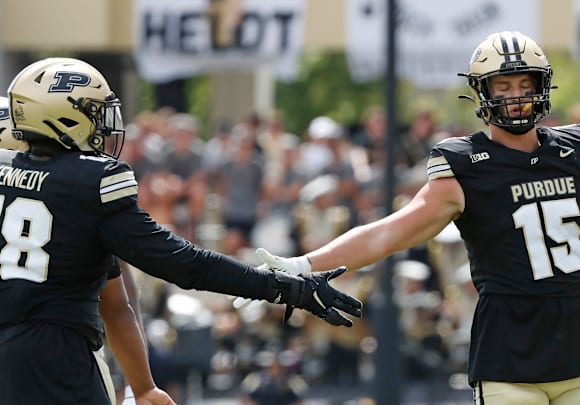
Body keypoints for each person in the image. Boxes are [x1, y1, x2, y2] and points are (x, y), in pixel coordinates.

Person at [251, 31, 580, 403]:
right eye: (503, 86)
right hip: (508, 360)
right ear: (482, 92)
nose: (515, 96)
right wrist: (307, 264)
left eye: (525, 84)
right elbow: (390, 233)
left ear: (542, 87)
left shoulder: (579, 152)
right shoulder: (464, 165)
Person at [0, 58, 362, 405]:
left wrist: (143, 387)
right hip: (55, 358)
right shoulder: (92, 183)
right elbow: (184, 264)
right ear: (64, 116)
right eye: (94, 114)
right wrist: (278, 286)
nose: (102, 126)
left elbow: (117, 301)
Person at [0, 96, 173, 404]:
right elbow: (119, 303)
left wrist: (141, 384)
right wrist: (141, 385)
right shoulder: (71, 196)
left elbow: (118, 299)